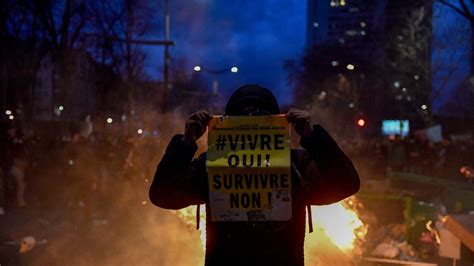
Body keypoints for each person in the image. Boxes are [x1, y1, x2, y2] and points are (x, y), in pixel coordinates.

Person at [149, 84, 360, 266]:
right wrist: (185, 144)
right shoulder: (213, 165)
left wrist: (313, 137)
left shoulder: (295, 165)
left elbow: (346, 183)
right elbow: (162, 194)